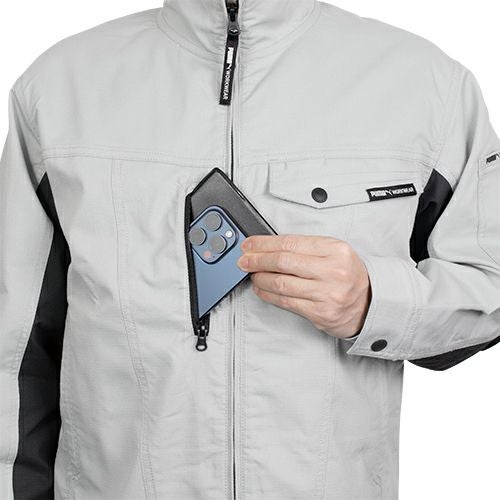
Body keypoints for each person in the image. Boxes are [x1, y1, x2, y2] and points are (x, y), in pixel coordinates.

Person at [1, 1, 499, 499]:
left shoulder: (425, 84)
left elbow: (489, 283)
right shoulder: (60, 87)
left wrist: (376, 302)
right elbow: (15, 351)